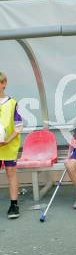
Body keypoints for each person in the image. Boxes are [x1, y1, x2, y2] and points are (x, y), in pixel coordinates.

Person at [0, 72, 23, 220]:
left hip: (8, 145)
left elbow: (19, 126)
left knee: (10, 172)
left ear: (4, 83)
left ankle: (14, 204)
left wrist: (8, 140)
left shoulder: (13, 103)